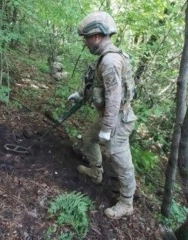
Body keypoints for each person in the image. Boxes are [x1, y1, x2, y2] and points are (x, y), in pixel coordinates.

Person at [68, 11, 137, 219]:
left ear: (96, 36)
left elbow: (115, 98)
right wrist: (81, 95)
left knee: (120, 159)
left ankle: (127, 203)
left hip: (117, 119)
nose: (86, 43)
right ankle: (96, 171)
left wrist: (107, 129)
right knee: (89, 140)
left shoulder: (110, 62)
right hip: (109, 115)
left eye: (86, 38)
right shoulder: (105, 58)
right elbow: (100, 87)